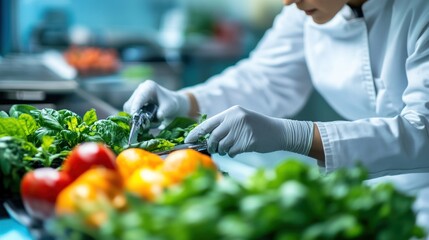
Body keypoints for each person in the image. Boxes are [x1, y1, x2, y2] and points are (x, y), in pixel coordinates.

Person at [124, 0, 429, 179]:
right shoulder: (306, 9)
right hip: (364, 182)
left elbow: (422, 132)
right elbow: (265, 78)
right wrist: (184, 101)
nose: (287, 2)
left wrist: (297, 135)